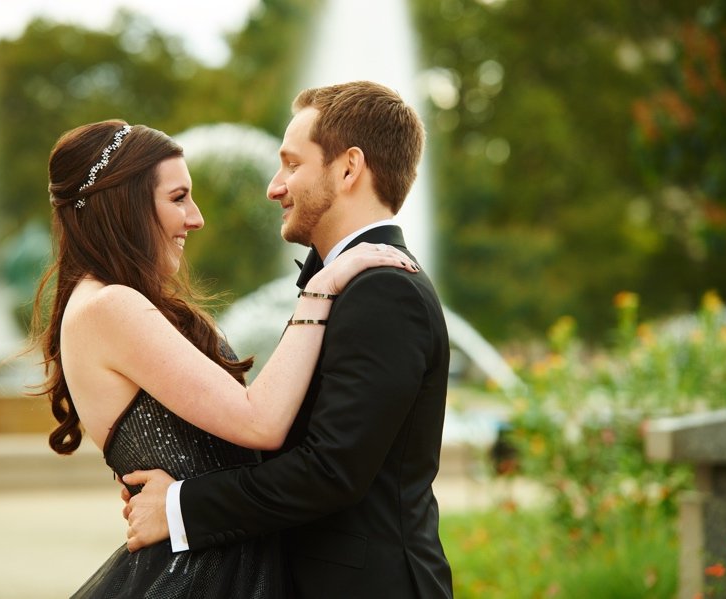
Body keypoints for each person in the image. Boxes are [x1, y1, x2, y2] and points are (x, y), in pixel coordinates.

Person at [31, 118, 417, 598]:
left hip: (220, 563)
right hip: (202, 578)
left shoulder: (111, 303)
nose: (196, 218)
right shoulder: (111, 306)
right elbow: (260, 423)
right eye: (177, 198)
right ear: (124, 206)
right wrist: (321, 289)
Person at [122, 81, 454, 598]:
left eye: (293, 165)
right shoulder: (346, 284)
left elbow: (330, 471)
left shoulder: (386, 291)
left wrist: (179, 506)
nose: (275, 187)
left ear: (348, 168)